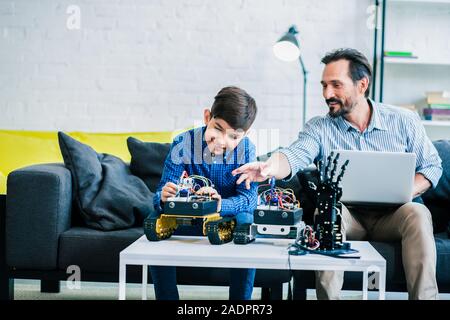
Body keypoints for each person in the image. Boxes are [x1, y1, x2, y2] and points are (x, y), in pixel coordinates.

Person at [232, 48, 442, 300]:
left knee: (418, 213)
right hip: (347, 215)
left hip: (394, 215)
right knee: (327, 213)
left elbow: (432, 166)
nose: (327, 94)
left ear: (362, 85)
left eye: (336, 85)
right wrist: (268, 167)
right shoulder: (320, 128)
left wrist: (405, 191)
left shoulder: (404, 121)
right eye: (324, 85)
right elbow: (294, 155)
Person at [150, 86, 258, 300]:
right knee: (154, 218)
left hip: (225, 218)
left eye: (234, 137)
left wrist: (220, 205)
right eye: (217, 129)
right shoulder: (182, 143)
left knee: (246, 220)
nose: (222, 141)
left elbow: (249, 199)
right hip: (188, 215)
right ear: (207, 116)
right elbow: (159, 195)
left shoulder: (247, 149)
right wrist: (163, 197)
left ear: (243, 135)